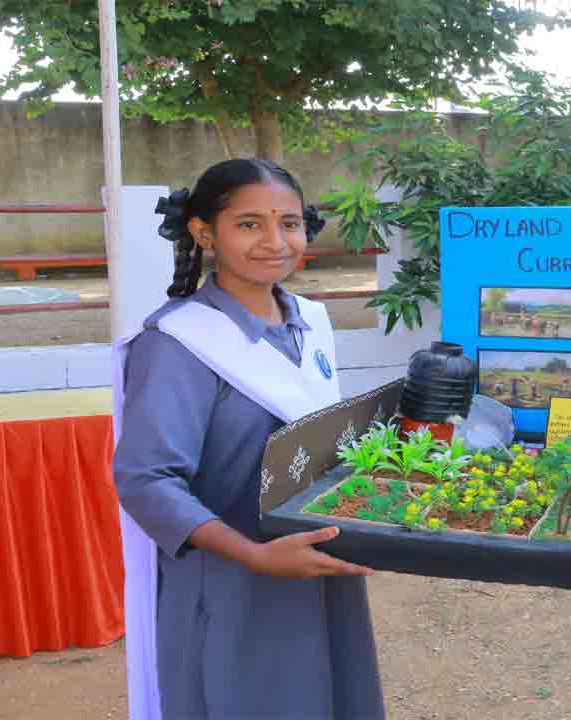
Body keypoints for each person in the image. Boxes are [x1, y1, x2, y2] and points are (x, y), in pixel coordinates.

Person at [113, 159, 386, 719]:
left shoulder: (308, 321)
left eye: (289, 223)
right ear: (204, 232)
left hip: (313, 564)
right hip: (233, 577)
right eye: (248, 224)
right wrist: (254, 556)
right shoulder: (177, 344)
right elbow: (146, 479)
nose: (274, 241)